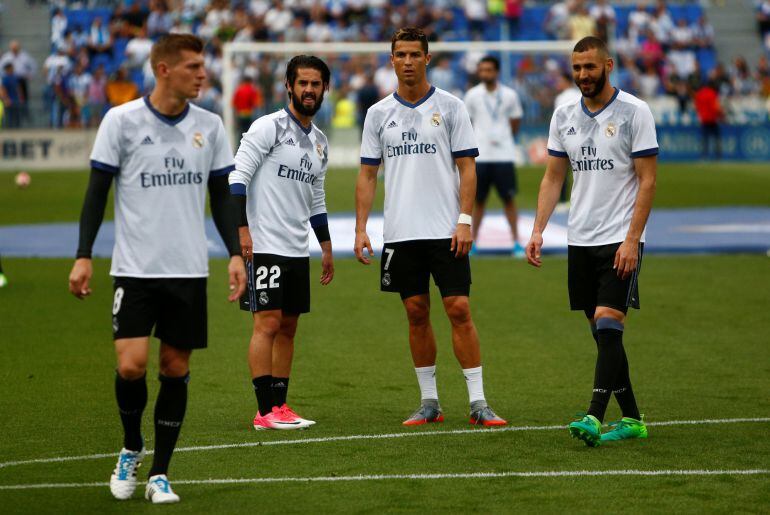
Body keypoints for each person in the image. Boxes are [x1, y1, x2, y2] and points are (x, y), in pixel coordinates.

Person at [67, 34, 246, 503]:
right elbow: (96, 192)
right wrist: (84, 254)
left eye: (202, 66)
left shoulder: (210, 125)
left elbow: (222, 197)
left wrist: (234, 252)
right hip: (134, 269)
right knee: (131, 366)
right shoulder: (121, 121)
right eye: (192, 67)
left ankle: (160, 473)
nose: (202, 74)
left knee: (174, 366)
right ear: (164, 69)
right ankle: (131, 446)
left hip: (188, 270)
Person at [355, 27, 507, 427]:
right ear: (392, 60)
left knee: (459, 308)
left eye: (414, 55)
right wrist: (360, 228)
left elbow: (467, 168)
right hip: (402, 232)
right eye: (400, 55)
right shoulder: (377, 114)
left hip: (446, 230)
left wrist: (464, 219)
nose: (407, 61)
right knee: (416, 312)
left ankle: (478, 402)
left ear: (427, 59)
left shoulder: (452, 106)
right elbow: (368, 175)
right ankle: (430, 403)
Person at [526, 36, 657, 447]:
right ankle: (632, 419)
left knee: (608, 323)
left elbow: (648, 179)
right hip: (580, 238)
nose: (583, 75)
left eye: (590, 67)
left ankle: (594, 415)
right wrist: (537, 229)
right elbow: (553, 176)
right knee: (602, 334)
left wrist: (632, 240)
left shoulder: (636, 112)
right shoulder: (563, 113)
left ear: (608, 65)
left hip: (620, 238)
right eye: (577, 68)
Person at [229, 55, 334, 431]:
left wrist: (324, 245)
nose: (309, 90)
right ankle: (263, 412)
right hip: (264, 244)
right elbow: (237, 179)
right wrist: (243, 232)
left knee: (289, 327)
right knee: (267, 324)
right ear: (289, 86)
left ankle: (280, 404)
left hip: (296, 247)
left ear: (325, 89)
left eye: (315, 84)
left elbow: (317, 198)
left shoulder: (320, 142)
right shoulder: (267, 127)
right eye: (302, 83)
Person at [463, 55, 524, 257]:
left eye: (489, 70)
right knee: (477, 201)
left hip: (504, 155)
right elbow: (468, 123)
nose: (485, 73)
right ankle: (473, 241)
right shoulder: (472, 95)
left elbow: (515, 120)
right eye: (482, 70)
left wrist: (506, 138)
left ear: (496, 72)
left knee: (509, 199)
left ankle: (516, 242)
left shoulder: (509, 95)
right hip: (480, 156)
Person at [694, 81, 723, 160]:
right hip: (712, 119)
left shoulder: (699, 94)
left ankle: (704, 156)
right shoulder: (712, 93)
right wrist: (722, 115)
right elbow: (716, 107)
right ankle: (718, 156)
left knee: (704, 139)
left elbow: (696, 107)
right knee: (716, 138)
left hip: (703, 119)